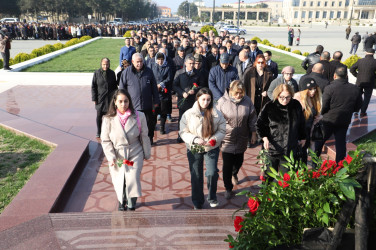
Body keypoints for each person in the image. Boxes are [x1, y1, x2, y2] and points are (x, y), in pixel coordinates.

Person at [101, 89, 151, 211]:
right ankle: (121, 199)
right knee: (120, 178)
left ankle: (131, 203)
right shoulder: (108, 119)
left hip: (135, 152)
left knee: (132, 177)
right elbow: (105, 140)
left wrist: (146, 152)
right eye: (121, 101)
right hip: (117, 154)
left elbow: (144, 135)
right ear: (115, 102)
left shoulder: (139, 116)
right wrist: (111, 157)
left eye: (126, 101)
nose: (124, 104)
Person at [179, 88, 226, 209]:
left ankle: (211, 197)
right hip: (194, 147)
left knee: (212, 173)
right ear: (198, 99)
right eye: (203, 99)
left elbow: (222, 130)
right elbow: (183, 132)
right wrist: (194, 139)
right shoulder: (188, 114)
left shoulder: (216, 113)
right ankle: (197, 201)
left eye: (208, 99)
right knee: (196, 175)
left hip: (211, 147)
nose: (206, 102)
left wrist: (214, 139)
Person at [217, 81, 257, 199]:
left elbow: (252, 118)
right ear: (230, 91)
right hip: (226, 138)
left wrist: (253, 133)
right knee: (227, 165)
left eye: (241, 93)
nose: (239, 95)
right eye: (236, 93)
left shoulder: (247, 101)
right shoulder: (222, 102)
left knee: (239, 161)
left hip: (242, 137)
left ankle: (234, 173)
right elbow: (216, 120)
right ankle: (228, 188)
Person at [256, 84, 306, 179]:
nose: (285, 100)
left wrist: (303, 137)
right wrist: (264, 138)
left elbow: (301, 123)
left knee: (286, 180)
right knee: (269, 178)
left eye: (288, 97)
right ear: (277, 95)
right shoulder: (269, 106)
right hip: (272, 148)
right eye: (282, 97)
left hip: (290, 149)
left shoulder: (296, 105)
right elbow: (259, 124)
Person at [315, 67, 362, 163]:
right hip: (344, 119)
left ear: (335, 76)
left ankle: (314, 161)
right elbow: (358, 107)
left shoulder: (329, 88)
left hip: (329, 119)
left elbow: (324, 106)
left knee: (320, 141)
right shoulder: (355, 89)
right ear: (346, 76)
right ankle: (339, 165)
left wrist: (322, 114)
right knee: (340, 143)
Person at [119, 53, 160, 145]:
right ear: (132, 62)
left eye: (141, 62)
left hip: (147, 104)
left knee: (149, 123)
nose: (139, 64)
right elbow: (121, 89)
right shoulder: (126, 72)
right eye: (137, 62)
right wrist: (122, 103)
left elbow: (154, 87)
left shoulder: (149, 71)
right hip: (133, 105)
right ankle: (136, 139)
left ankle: (149, 138)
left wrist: (156, 100)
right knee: (133, 125)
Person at [173, 55, 205, 143]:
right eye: (190, 63)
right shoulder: (179, 73)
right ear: (185, 63)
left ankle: (192, 135)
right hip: (183, 99)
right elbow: (175, 85)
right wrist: (182, 93)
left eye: (193, 63)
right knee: (182, 117)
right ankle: (180, 135)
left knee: (193, 118)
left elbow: (202, 85)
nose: (192, 65)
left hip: (193, 100)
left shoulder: (198, 74)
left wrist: (195, 91)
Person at [294, 77, 322, 164]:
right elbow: (294, 121)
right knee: (300, 158)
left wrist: (318, 118)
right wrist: (300, 137)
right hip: (300, 135)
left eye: (314, 89)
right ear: (304, 90)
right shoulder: (298, 100)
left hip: (309, 132)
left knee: (305, 157)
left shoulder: (312, 99)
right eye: (310, 89)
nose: (313, 91)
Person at [91, 58, 118, 138]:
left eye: (107, 64)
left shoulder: (112, 73)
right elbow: (93, 86)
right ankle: (99, 131)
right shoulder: (96, 73)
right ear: (101, 64)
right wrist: (94, 98)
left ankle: (109, 132)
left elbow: (114, 86)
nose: (105, 66)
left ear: (109, 64)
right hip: (100, 99)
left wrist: (115, 98)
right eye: (104, 64)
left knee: (110, 116)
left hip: (109, 99)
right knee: (99, 116)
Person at [151, 52, 173, 134]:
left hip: (164, 92)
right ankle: (153, 126)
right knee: (154, 112)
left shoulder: (167, 67)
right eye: (159, 59)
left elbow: (169, 78)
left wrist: (161, 84)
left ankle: (162, 127)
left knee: (163, 111)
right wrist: (155, 85)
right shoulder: (153, 66)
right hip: (154, 92)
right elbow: (150, 76)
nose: (160, 61)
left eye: (162, 59)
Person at [350, 48, 376, 117]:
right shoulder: (375, 61)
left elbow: (352, 69)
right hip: (370, 82)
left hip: (359, 81)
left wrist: (357, 75)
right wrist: (373, 76)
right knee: (367, 97)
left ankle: (356, 110)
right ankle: (363, 112)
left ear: (366, 53)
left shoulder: (360, 61)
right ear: (373, 54)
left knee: (358, 96)